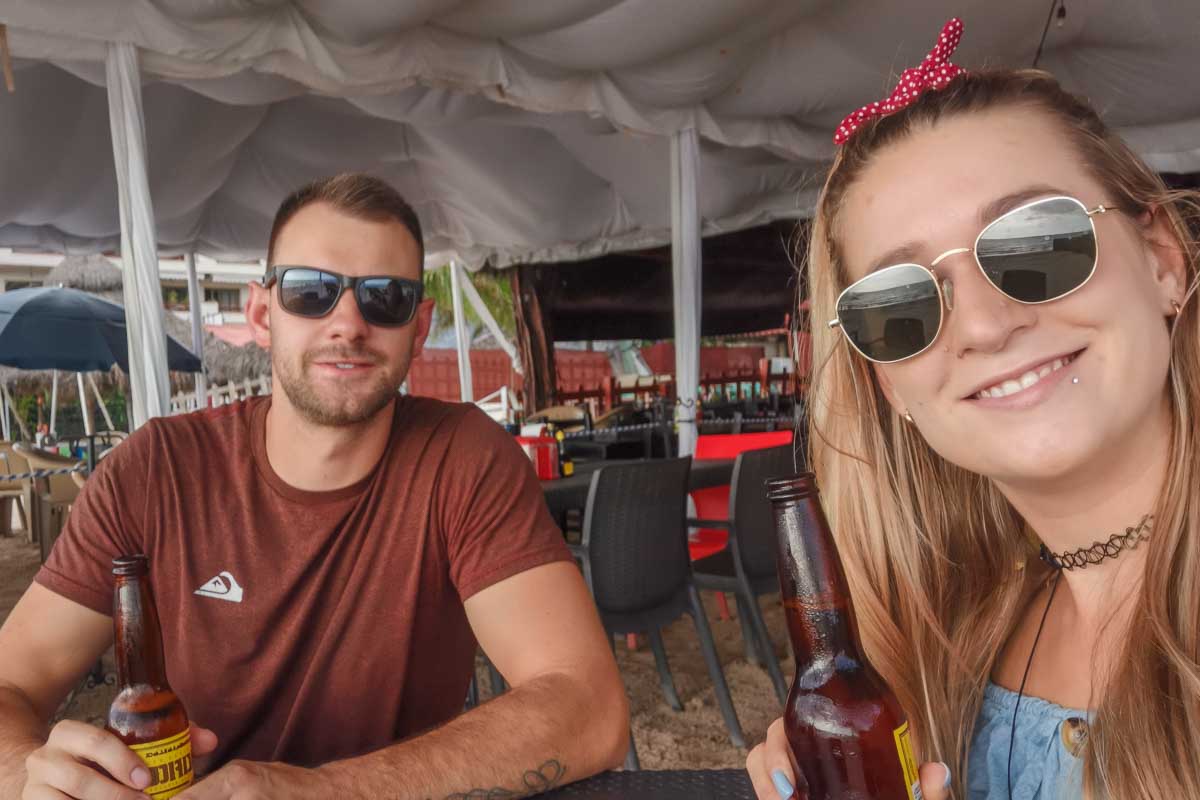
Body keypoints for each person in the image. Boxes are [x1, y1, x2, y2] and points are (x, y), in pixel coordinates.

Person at [0, 173, 629, 799]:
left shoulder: (464, 459)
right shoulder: (155, 470)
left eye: (385, 298)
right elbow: (13, 683)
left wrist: (326, 791)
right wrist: (31, 775)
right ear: (261, 312)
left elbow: (587, 704)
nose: (348, 324)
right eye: (311, 291)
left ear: (419, 322)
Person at [747, 18, 1200, 800]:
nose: (987, 326)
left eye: (1037, 241)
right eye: (899, 305)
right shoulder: (953, 651)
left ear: (1161, 258)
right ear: (888, 381)